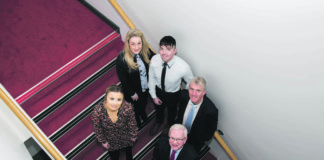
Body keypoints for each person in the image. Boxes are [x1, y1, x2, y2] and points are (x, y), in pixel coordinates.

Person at [148, 35, 193, 135]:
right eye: (162, 49)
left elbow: (190, 82)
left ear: (174, 50)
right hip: (158, 90)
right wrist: (154, 96)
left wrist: (183, 97)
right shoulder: (155, 60)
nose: (164, 53)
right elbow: (151, 78)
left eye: (168, 49)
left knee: (172, 112)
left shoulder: (183, 67)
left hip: (173, 94)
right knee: (158, 109)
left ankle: (169, 125)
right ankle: (158, 121)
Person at [116, 28, 154, 127]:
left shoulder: (145, 50)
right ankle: (136, 117)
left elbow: (155, 58)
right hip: (134, 90)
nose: (136, 47)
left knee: (144, 102)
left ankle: (142, 113)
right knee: (136, 106)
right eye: (133, 44)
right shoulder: (122, 59)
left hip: (145, 86)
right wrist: (132, 93)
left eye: (139, 43)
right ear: (128, 43)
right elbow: (123, 80)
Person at [91, 85, 138, 160]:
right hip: (110, 139)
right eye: (112, 99)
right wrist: (103, 141)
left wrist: (133, 134)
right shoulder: (98, 111)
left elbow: (132, 122)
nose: (115, 103)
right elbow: (97, 127)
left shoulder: (127, 107)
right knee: (114, 157)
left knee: (128, 152)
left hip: (125, 136)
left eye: (118, 99)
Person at [176, 76, 218, 152]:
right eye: (191, 89)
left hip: (195, 140)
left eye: (198, 91)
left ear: (204, 92)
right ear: (188, 88)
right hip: (180, 132)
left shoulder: (211, 111)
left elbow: (210, 132)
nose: (193, 94)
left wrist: (200, 138)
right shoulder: (183, 95)